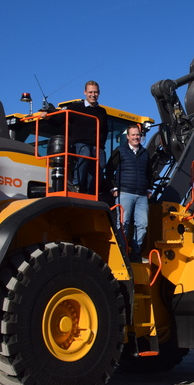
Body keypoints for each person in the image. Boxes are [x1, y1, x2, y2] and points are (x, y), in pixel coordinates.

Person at [105, 125, 151, 261]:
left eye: (138, 135)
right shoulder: (120, 151)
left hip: (142, 195)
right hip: (125, 193)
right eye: (133, 135)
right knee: (123, 223)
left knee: (142, 224)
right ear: (128, 137)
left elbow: (149, 173)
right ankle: (122, 253)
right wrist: (113, 188)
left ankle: (136, 253)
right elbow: (109, 171)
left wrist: (149, 189)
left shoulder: (145, 153)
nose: (136, 137)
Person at [69, 80, 108, 194]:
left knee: (101, 162)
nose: (93, 95)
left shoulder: (102, 111)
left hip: (96, 144)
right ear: (85, 92)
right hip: (80, 143)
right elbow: (61, 118)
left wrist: (101, 144)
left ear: (99, 93)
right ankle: (76, 185)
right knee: (85, 155)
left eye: (95, 92)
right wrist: (47, 115)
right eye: (90, 92)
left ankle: (92, 191)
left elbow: (105, 130)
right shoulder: (75, 107)